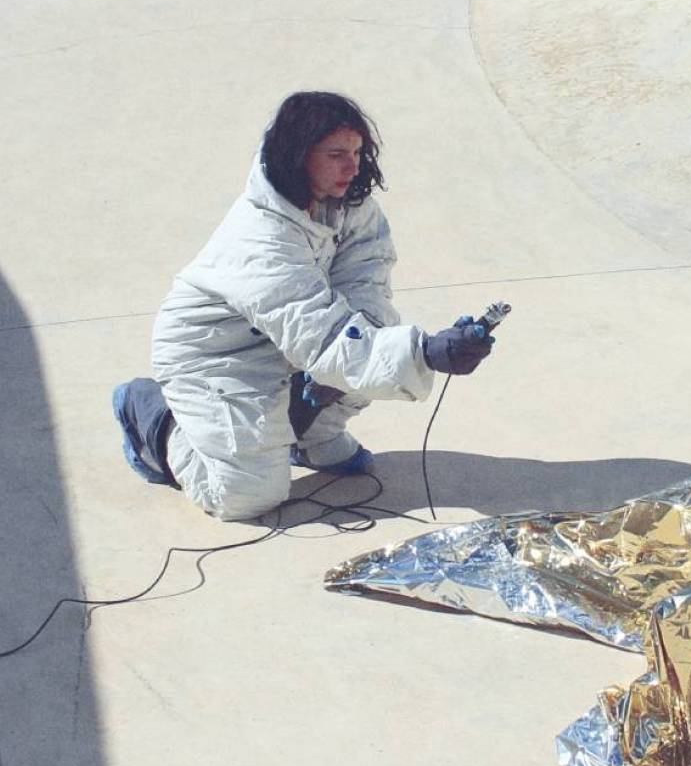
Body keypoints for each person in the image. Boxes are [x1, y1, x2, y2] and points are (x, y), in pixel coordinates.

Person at [112, 91, 493, 521]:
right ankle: (152, 416)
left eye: (356, 152)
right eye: (335, 155)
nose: (351, 167)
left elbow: (366, 293)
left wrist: (378, 356)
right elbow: (323, 335)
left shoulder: (352, 210)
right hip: (217, 358)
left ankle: (310, 436)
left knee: (366, 346)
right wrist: (426, 352)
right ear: (298, 155)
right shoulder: (260, 238)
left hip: (287, 342)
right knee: (247, 495)